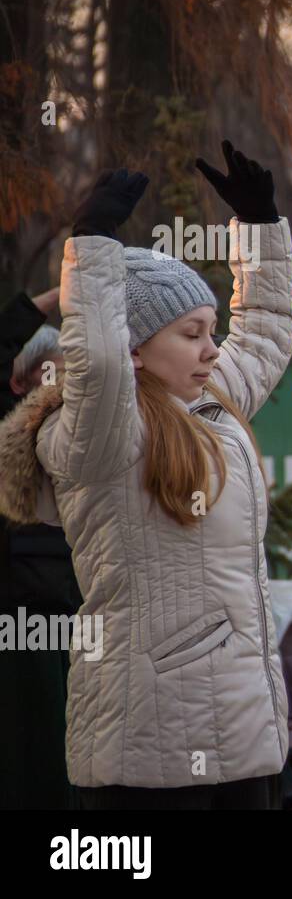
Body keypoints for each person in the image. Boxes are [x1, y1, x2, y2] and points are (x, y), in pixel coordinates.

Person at [0, 143, 292, 807]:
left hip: (244, 732)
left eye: (210, 329)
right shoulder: (101, 432)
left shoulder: (207, 404)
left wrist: (260, 229)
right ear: (136, 347)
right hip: (150, 745)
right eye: (192, 333)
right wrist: (94, 249)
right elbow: (99, 364)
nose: (211, 348)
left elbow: (268, 332)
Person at [0, 290, 81, 809]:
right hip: (21, 617)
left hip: (82, 610)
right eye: (49, 376)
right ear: (19, 383)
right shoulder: (10, 427)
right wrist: (62, 292)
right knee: (34, 742)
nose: (60, 391)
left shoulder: (84, 435)